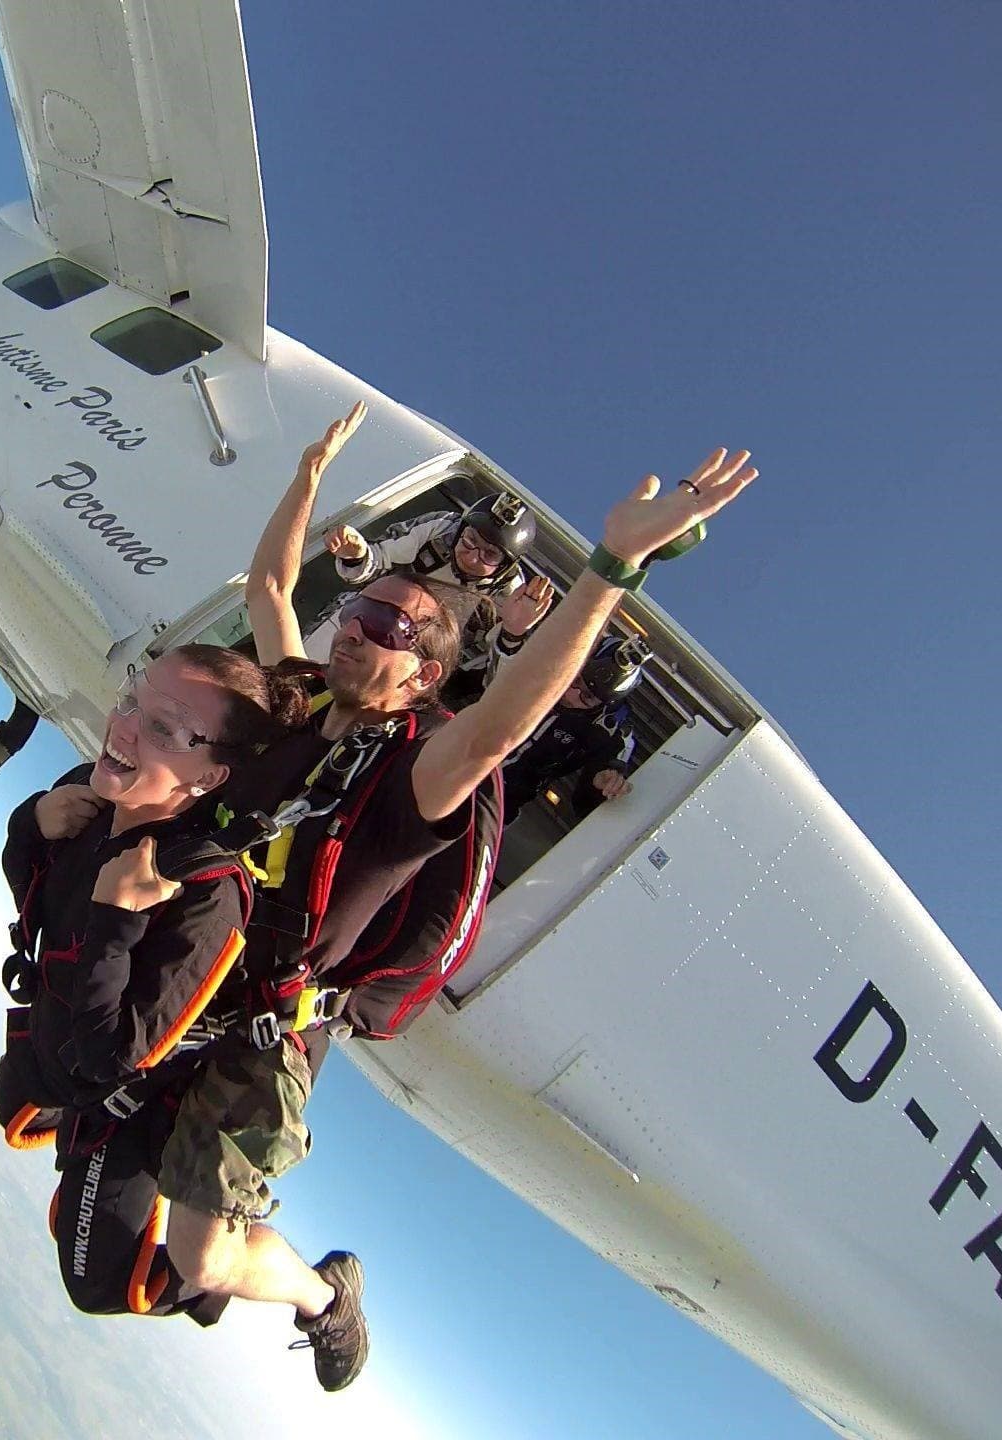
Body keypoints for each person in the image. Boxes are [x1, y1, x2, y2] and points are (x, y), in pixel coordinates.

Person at [153, 403, 758, 1391]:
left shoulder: (412, 775)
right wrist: (308, 473)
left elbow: (498, 730)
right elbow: (270, 584)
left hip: (274, 1030)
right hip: (200, 975)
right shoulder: (303, 708)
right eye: (360, 615)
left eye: (392, 628)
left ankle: (322, 1295)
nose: (360, 632)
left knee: (202, 1259)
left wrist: (611, 567)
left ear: (429, 672)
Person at [0, 645, 310, 1318]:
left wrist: (117, 921)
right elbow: (37, 907)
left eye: (164, 729)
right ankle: (77, 1157)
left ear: (212, 775)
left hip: (125, 1097)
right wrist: (32, 823)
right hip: (56, 1044)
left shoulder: (205, 899)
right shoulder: (93, 792)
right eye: (132, 699)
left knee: (102, 1284)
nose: (124, 727)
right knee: (13, 1101)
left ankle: (310, 1291)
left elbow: (116, 1060)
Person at [302, 490, 557, 706]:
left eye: (489, 555)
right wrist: (356, 554)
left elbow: (496, 685)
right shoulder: (440, 529)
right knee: (298, 670)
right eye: (469, 541)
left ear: (505, 564)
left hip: (409, 665)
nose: (471, 557)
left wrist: (513, 633)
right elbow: (377, 560)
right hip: (364, 619)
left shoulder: (509, 596)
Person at [498, 634, 649, 825]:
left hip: (500, 803)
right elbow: (472, 677)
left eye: (587, 696)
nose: (571, 694)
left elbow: (583, 804)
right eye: (575, 679)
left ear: (602, 703)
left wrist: (600, 785)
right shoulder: (539, 665)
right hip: (459, 761)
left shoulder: (607, 727)